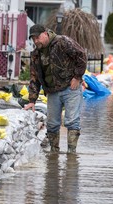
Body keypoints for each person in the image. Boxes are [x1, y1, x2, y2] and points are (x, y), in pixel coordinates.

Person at [24, 24, 87, 153]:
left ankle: (71, 153)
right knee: (52, 124)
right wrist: (32, 100)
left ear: (46, 33)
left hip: (71, 88)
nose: (36, 41)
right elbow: (34, 77)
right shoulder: (36, 54)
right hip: (52, 91)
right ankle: (54, 152)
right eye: (33, 39)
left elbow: (81, 56)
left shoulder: (62, 42)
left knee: (72, 122)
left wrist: (77, 77)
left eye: (38, 37)